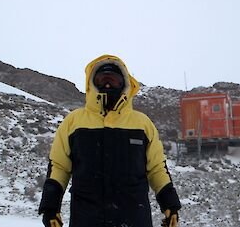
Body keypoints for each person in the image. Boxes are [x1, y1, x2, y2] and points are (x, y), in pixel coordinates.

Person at [38, 55, 181, 227]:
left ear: (124, 83)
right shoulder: (73, 122)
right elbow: (59, 166)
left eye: (113, 80)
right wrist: (50, 207)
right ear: (92, 83)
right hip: (86, 218)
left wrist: (170, 204)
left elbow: (157, 167)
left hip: (134, 218)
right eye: (101, 79)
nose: (107, 85)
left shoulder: (142, 124)